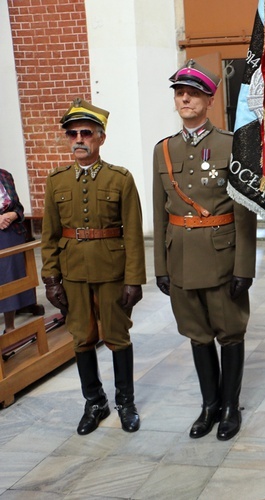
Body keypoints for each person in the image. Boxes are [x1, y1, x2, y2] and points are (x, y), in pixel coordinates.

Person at [153, 60, 257, 441]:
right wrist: (160, 267)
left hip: (222, 255)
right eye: (180, 93)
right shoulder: (163, 150)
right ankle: (209, 405)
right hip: (180, 257)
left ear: (209, 99)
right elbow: (159, 211)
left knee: (230, 332)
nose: (185, 98)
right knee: (197, 334)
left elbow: (245, 212)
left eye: (193, 93)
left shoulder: (231, 145)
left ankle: (230, 407)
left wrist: (245, 266)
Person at [41, 98, 146, 435]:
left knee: (117, 337)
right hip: (72, 275)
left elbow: (132, 232)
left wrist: (134, 279)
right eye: (72, 134)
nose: (78, 139)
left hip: (112, 272)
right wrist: (52, 278)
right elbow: (50, 235)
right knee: (81, 339)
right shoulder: (56, 181)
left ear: (101, 138)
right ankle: (94, 402)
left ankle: (125, 402)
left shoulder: (120, 179)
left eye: (86, 132)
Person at [0, 169, 36, 332]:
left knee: (11, 279)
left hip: (11, 232)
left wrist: (13, 215)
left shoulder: (5, 175)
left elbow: (19, 207)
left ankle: (10, 327)